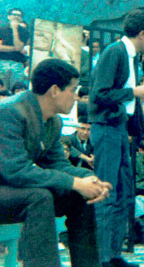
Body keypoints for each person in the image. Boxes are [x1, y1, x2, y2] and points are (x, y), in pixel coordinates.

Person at [0, 58, 112, 267]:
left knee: (80, 196)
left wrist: (88, 180)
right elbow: (16, 172)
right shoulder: (8, 113)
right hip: (7, 188)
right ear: (54, 90)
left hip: (12, 192)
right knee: (39, 197)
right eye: (72, 89)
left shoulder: (52, 120)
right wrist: (74, 182)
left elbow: (57, 164)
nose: (76, 97)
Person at [89, 9, 144, 267]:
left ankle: (114, 255)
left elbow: (133, 106)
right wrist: (134, 91)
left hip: (120, 129)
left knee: (124, 194)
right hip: (107, 129)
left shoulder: (132, 59)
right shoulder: (114, 52)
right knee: (107, 192)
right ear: (141, 34)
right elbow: (99, 94)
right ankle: (102, 258)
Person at [0, 8, 28, 90]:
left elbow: (19, 46)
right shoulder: (1, 30)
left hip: (17, 64)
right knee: (1, 89)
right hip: (2, 62)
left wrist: (15, 29)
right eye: (14, 14)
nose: (16, 16)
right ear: (9, 16)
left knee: (15, 89)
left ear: (21, 18)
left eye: (18, 15)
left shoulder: (25, 32)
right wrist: (15, 48)